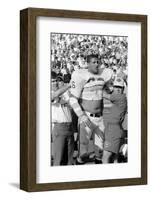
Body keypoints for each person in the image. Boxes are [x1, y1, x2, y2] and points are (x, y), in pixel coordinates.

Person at [69, 54, 113, 164]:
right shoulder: (80, 75)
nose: (96, 64)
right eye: (93, 62)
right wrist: (81, 115)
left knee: (100, 152)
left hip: (100, 118)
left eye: (98, 62)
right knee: (83, 153)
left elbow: (109, 91)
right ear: (87, 63)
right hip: (87, 117)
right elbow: (73, 99)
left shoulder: (105, 74)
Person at [102, 77, 127, 163]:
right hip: (113, 129)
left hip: (113, 131)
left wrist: (100, 84)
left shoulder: (121, 97)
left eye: (120, 87)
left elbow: (103, 94)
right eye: (116, 86)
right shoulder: (119, 97)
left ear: (123, 89)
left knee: (105, 157)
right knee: (114, 158)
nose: (118, 89)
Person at [51, 72, 74, 166]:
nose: (55, 83)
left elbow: (72, 104)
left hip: (69, 127)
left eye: (56, 80)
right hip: (59, 127)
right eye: (52, 81)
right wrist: (69, 85)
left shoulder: (64, 92)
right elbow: (54, 95)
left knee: (69, 160)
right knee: (58, 160)